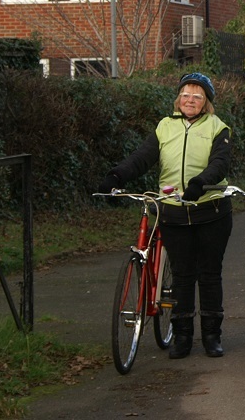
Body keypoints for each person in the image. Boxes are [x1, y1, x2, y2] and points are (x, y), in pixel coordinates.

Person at [98, 72, 232, 359]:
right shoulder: (164, 127)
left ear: (206, 102)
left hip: (211, 210)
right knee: (182, 276)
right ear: (178, 98)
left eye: (197, 96)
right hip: (173, 213)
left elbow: (220, 162)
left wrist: (200, 182)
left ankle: (212, 335)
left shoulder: (218, 127)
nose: (190, 100)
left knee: (209, 275)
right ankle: (182, 336)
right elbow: (142, 157)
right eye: (186, 94)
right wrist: (116, 175)